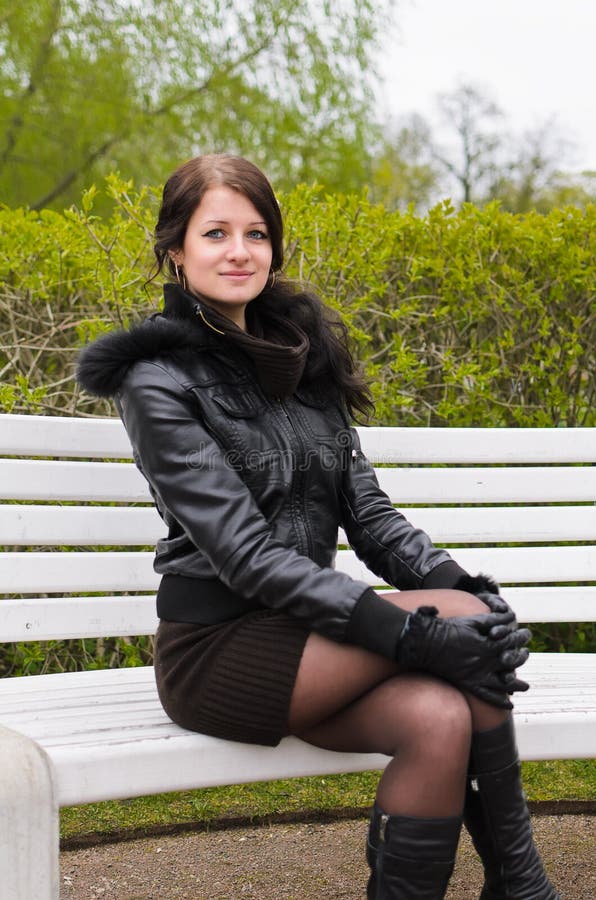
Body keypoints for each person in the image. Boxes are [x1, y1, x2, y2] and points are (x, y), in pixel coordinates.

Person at [76, 154, 559, 899]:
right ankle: (523, 885)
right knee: (464, 628)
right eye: (216, 233)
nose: (240, 251)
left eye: (257, 233)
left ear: (275, 247)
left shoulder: (304, 361)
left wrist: (467, 590)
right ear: (176, 249)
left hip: (313, 634)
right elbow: (245, 555)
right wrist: (423, 631)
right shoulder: (156, 380)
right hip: (220, 649)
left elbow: (370, 516)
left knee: (438, 717)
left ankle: (514, 885)